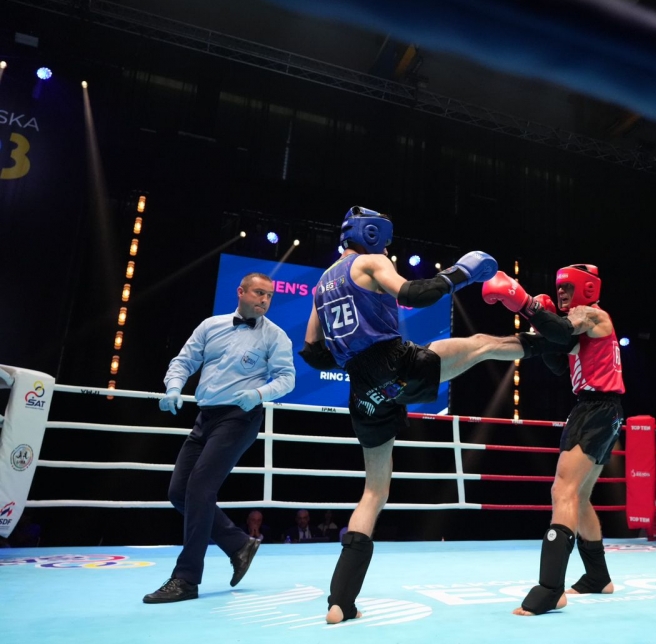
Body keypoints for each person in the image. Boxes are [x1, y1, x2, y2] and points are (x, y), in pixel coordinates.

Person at [298, 206, 565, 624]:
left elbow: (312, 352)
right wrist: (463, 272)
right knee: (481, 345)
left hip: (363, 392)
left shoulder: (321, 285)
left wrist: (355, 353)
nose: (387, 248)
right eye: (385, 240)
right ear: (372, 235)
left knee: (373, 492)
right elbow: (412, 294)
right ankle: (557, 341)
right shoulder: (369, 263)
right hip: (396, 364)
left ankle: (340, 602)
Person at [142, 272, 295, 604]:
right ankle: (239, 544)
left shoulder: (276, 336)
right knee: (179, 492)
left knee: (200, 487)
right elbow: (184, 361)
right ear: (241, 292)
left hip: (240, 417)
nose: (265, 300)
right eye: (259, 293)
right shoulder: (211, 326)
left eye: (269, 295)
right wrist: (173, 388)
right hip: (205, 417)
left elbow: (287, 379)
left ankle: (186, 579)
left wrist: (258, 393)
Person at [481, 264, 624, 617]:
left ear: (586, 288)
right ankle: (598, 576)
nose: (560, 292)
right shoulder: (581, 326)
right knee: (580, 495)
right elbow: (559, 362)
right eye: (558, 287)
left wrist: (525, 303)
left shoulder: (590, 315)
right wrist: (537, 320)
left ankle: (550, 589)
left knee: (562, 490)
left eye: (567, 287)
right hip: (602, 410)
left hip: (595, 410)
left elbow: (560, 331)